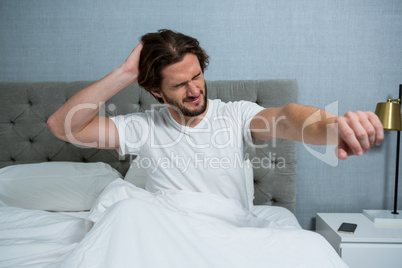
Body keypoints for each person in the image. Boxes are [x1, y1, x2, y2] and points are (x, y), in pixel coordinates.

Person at [47, 29, 384, 209]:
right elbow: (63, 126)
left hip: (228, 233)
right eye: (179, 84)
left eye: (197, 76)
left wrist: (332, 126)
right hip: (169, 235)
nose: (194, 90)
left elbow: (286, 117)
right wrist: (124, 73)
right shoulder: (143, 127)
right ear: (156, 92)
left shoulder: (235, 115)